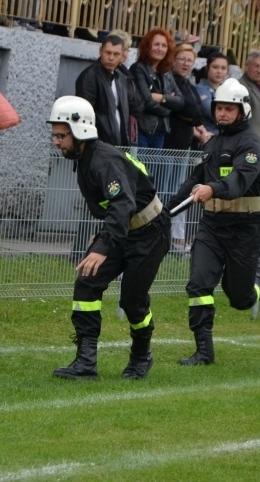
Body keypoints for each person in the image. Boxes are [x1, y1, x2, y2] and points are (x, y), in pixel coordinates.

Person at [48, 96, 170, 380]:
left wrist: (103, 246)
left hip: (150, 233)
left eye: (61, 135)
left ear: (82, 131)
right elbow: (115, 209)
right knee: (87, 282)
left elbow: (122, 205)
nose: (56, 141)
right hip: (124, 230)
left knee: (132, 300)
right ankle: (85, 362)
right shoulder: (85, 157)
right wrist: (104, 236)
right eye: (54, 134)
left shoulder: (103, 161)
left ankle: (142, 356)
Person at [166, 79, 260, 366]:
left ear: (243, 111)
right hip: (212, 225)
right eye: (219, 108)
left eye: (229, 108)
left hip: (244, 228)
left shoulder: (252, 145)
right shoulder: (213, 143)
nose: (223, 113)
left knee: (240, 299)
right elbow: (193, 181)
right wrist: (164, 212)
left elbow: (239, 180)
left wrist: (212, 189)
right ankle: (203, 351)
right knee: (198, 284)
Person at [164, 43, 202, 251]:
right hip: (168, 146)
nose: (186, 63)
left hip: (183, 147)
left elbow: (196, 112)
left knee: (176, 193)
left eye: (190, 60)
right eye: (182, 59)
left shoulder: (188, 84)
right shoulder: (170, 80)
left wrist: (194, 121)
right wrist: (190, 116)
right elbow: (186, 107)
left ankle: (171, 240)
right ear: (173, 60)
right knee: (164, 193)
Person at [130, 28, 183, 149]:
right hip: (142, 129)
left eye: (164, 45)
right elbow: (147, 101)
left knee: (154, 168)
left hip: (160, 131)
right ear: (148, 46)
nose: (160, 49)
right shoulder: (138, 68)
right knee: (140, 168)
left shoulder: (166, 71)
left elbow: (180, 102)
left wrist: (162, 98)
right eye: (156, 44)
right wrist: (168, 109)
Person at [75, 34, 132, 146]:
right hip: (97, 145)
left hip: (118, 143)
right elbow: (85, 114)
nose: (111, 58)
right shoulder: (90, 76)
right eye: (108, 52)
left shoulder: (120, 77)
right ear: (100, 51)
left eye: (116, 54)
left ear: (122, 57)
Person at [238, 50, 260, 148]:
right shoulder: (241, 87)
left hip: (259, 147)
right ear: (246, 65)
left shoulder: (259, 88)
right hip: (247, 146)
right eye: (256, 66)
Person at [195, 51, 229, 142]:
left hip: (224, 140)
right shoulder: (198, 89)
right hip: (205, 138)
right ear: (207, 68)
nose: (219, 71)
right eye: (215, 67)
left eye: (223, 68)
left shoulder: (229, 91)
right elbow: (213, 112)